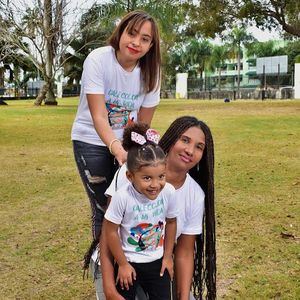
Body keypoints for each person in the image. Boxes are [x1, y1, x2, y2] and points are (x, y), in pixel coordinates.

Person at [71, 9, 161, 278]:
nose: (136, 42)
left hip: (125, 146)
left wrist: (137, 153)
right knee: (105, 208)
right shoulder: (99, 59)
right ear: (120, 32)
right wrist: (116, 148)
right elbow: (99, 115)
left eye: (145, 39)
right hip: (91, 141)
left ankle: (133, 268)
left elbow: (141, 127)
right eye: (132, 33)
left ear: (151, 46)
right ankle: (105, 279)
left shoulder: (151, 73)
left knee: (131, 203)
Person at [101, 116, 216, 300]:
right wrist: (109, 289)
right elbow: (108, 232)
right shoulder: (131, 171)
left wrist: (183, 297)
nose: (189, 150)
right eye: (185, 140)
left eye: (199, 146)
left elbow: (185, 252)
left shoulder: (194, 194)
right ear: (171, 139)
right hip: (119, 262)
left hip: (156, 264)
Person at [103, 122, 178, 300]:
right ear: (130, 176)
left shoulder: (168, 192)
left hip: (157, 263)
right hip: (128, 263)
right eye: (146, 178)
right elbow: (110, 231)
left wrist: (167, 257)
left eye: (161, 176)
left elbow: (172, 222)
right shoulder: (122, 197)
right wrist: (121, 264)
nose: (155, 185)